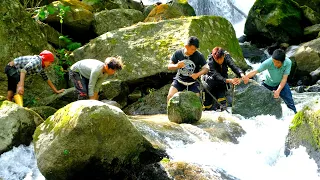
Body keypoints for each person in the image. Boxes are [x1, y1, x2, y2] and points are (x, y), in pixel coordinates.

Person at [243, 49, 297, 113]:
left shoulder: (288, 62)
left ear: (283, 61)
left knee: (290, 101)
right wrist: (244, 78)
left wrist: (278, 91)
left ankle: (295, 114)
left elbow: (284, 79)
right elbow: (255, 71)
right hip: (267, 84)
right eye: (274, 61)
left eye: (277, 62)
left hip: (280, 83)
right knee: (261, 102)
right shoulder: (268, 62)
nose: (275, 64)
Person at [167, 36, 209, 101]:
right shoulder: (178, 53)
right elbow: (169, 66)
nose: (193, 51)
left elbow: (206, 68)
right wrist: (177, 66)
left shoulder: (199, 55)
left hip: (193, 82)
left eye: (195, 49)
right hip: (179, 80)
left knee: (196, 100)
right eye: (192, 49)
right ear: (186, 46)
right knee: (170, 96)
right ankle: (170, 111)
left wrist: (197, 74)